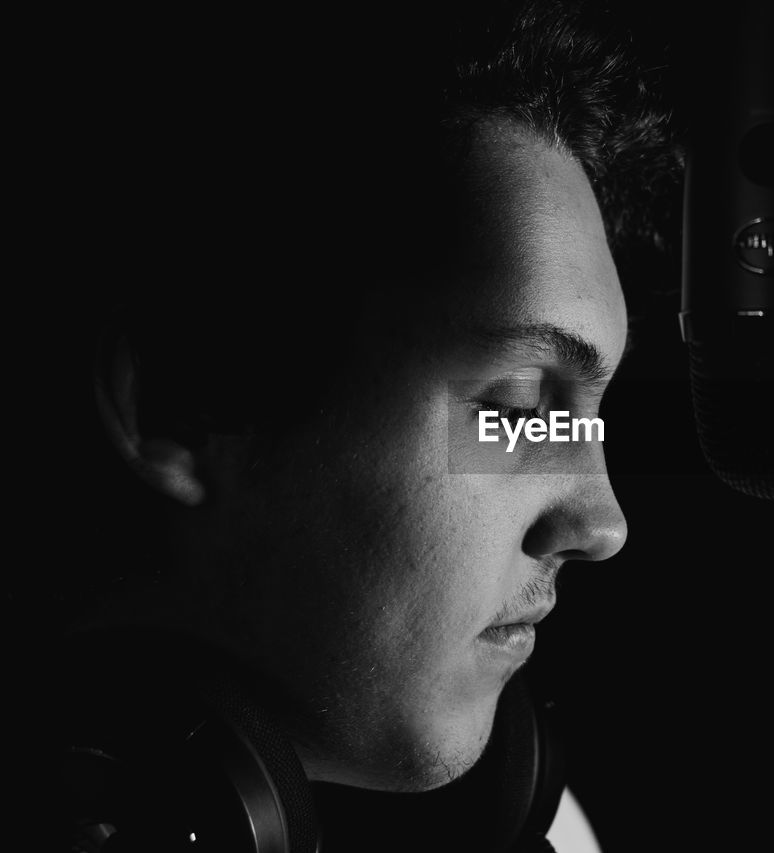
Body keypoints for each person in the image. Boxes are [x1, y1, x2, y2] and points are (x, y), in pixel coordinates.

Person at [26, 1, 683, 849]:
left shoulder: (546, 832)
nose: (602, 524)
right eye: (518, 407)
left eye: (589, 419)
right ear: (182, 399)